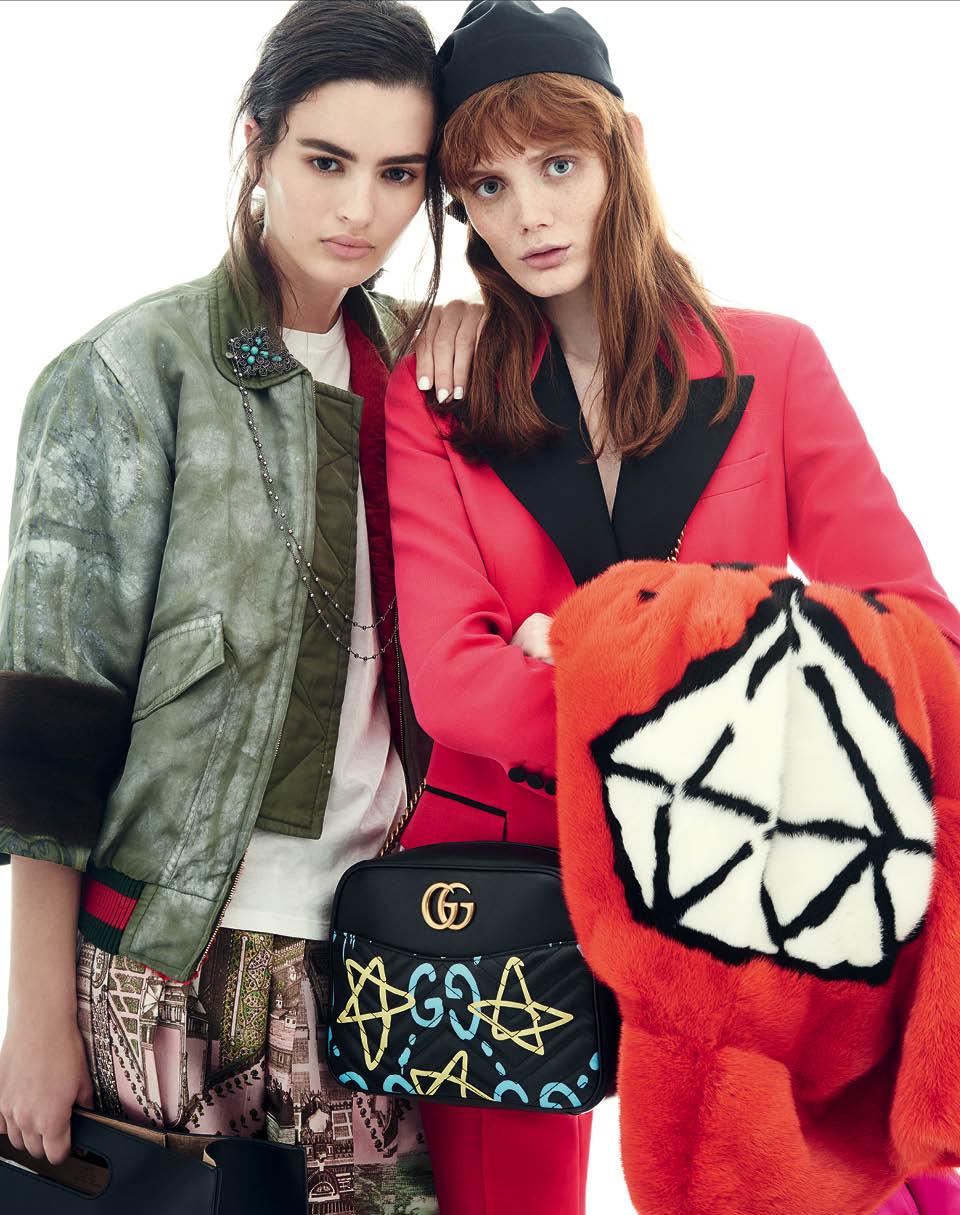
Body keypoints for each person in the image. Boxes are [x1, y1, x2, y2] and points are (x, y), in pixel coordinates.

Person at [383, 2, 960, 1213]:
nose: (528, 215)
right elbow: (451, 682)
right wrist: (725, 678)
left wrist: (586, 650)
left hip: (742, 875)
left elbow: (920, 633)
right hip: (503, 883)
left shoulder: (773, 361)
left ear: (622, 152)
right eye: (486, 186)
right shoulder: (435, 392)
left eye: (557, 165)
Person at [0, 2, 480, 1207]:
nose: (358, 208)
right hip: (162, 966)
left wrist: (489, 320)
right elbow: (52, 731)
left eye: (398, 175)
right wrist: (33, 1017)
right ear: (257, 146)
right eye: (325, 161)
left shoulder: (424, 378)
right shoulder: (128, 374)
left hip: (375, 960)